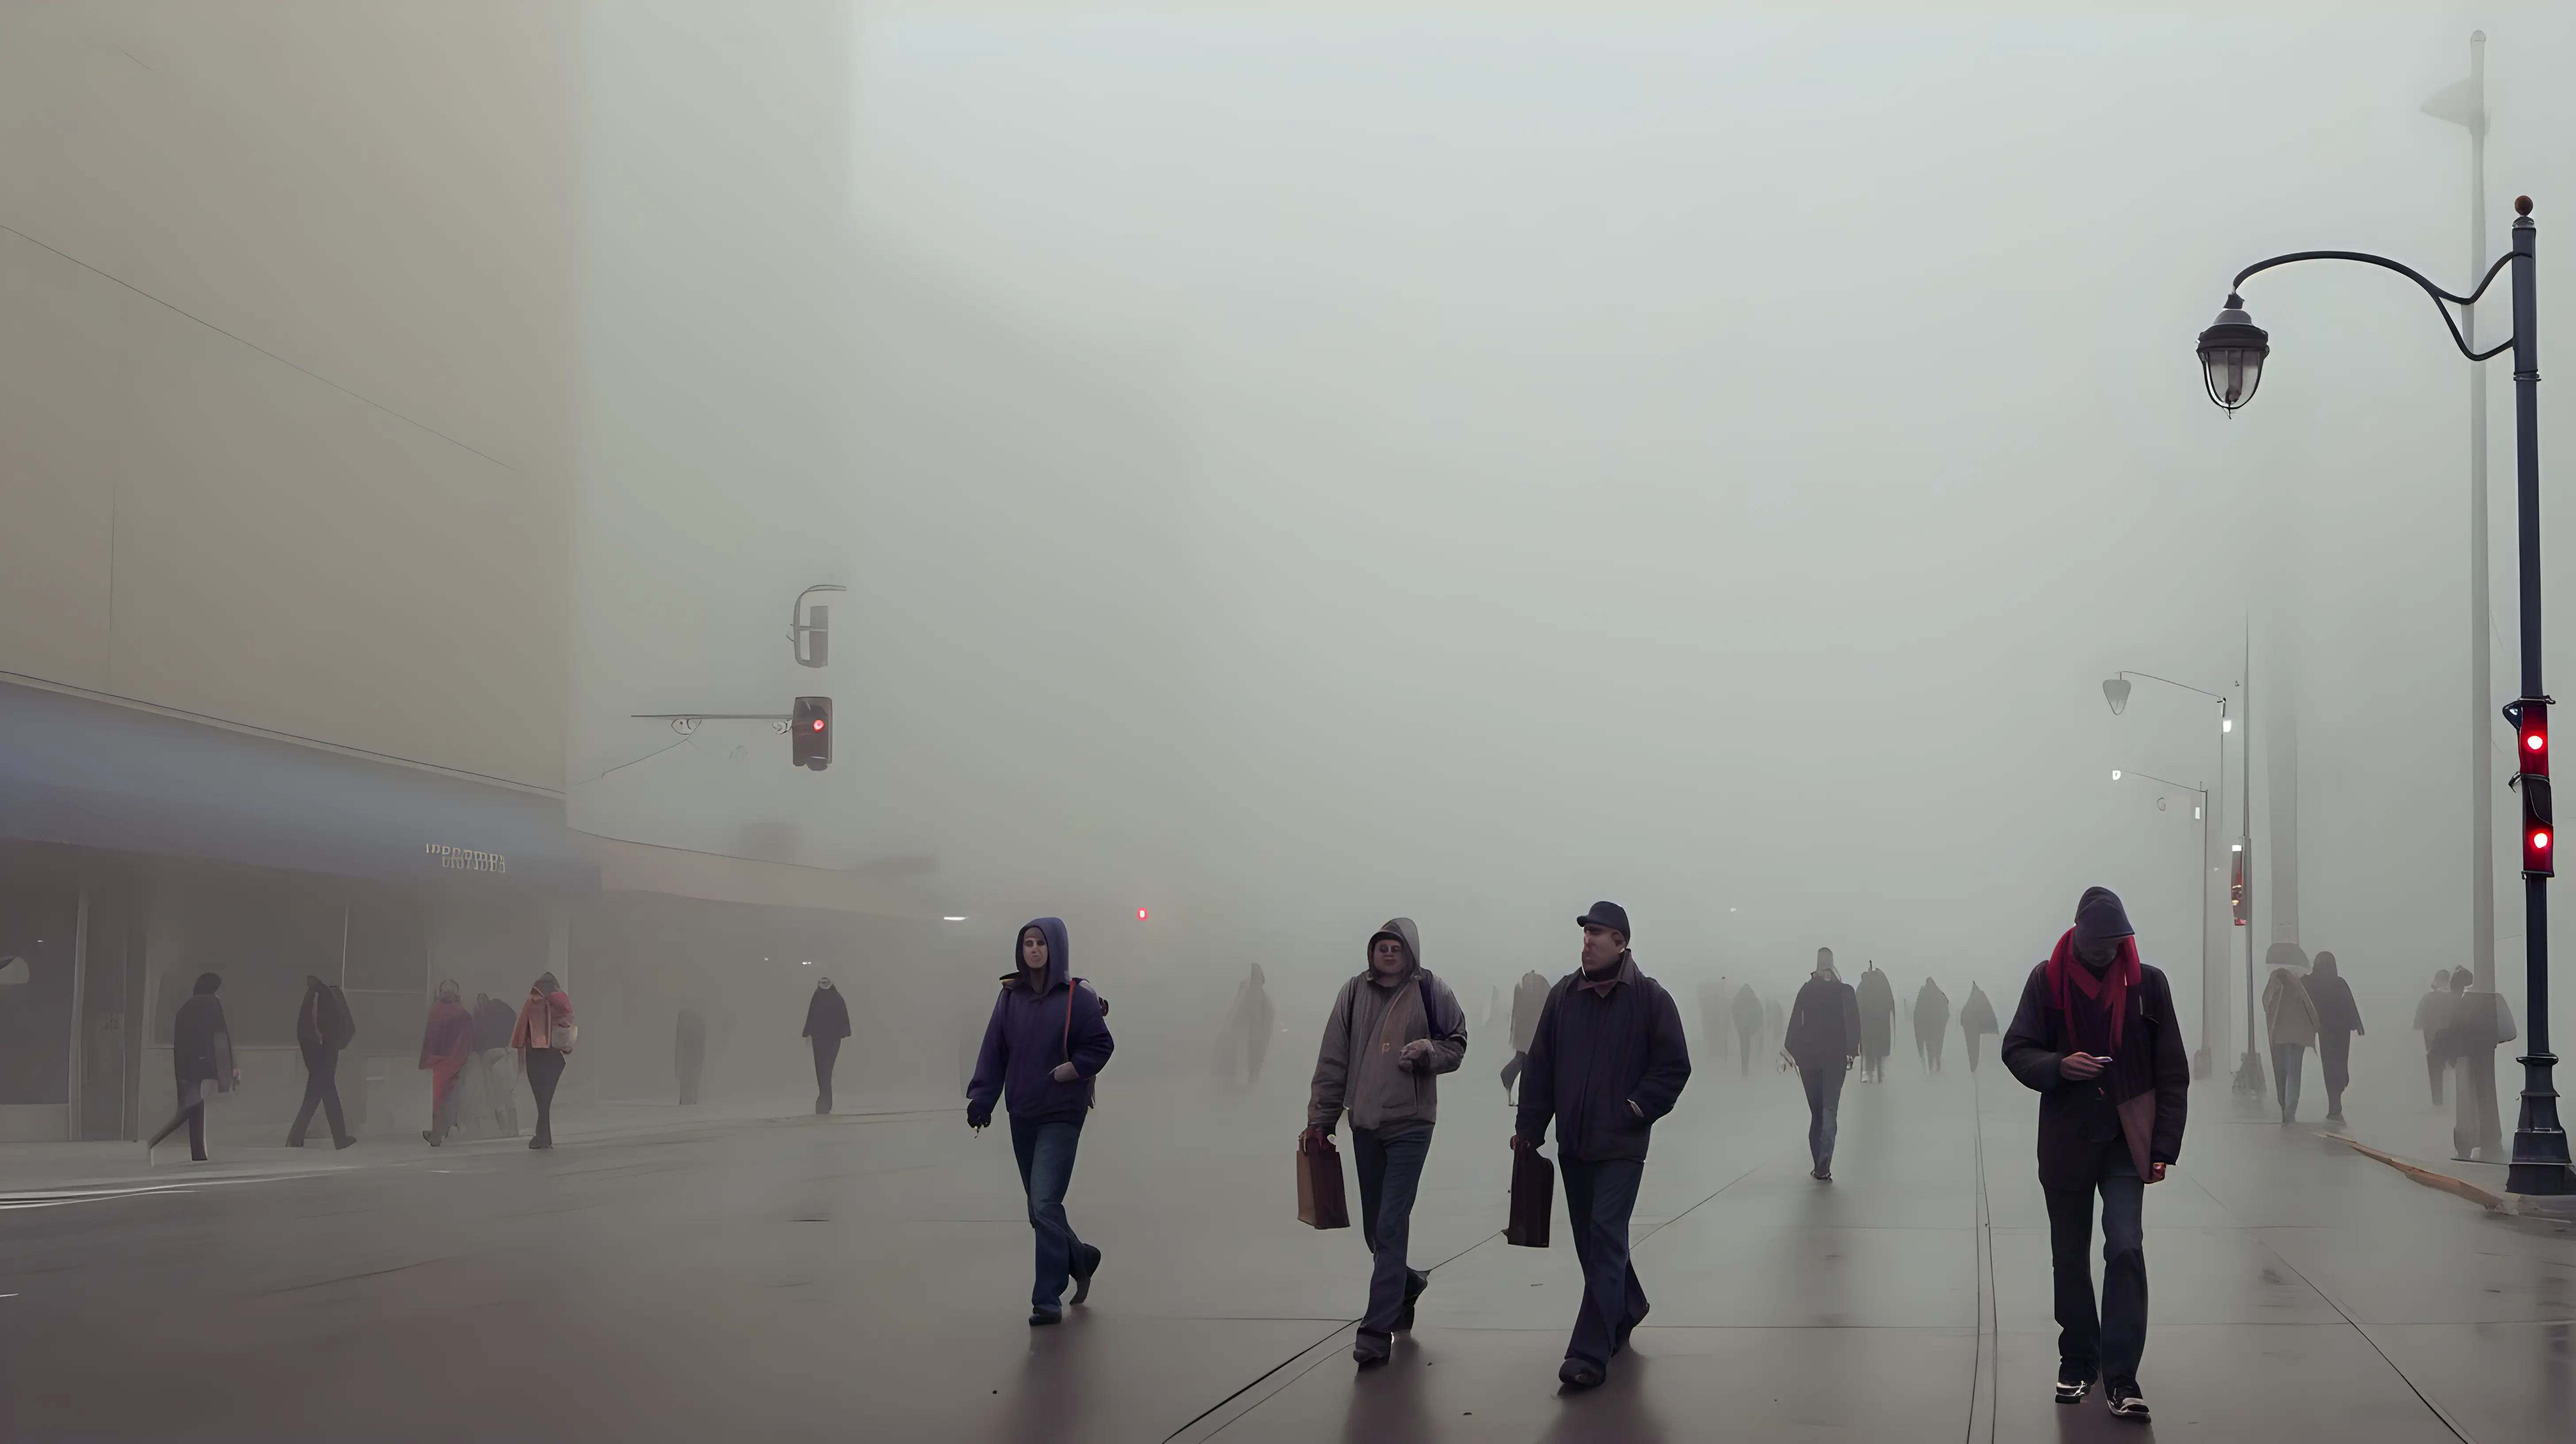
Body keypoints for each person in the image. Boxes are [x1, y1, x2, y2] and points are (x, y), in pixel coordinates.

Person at [2001, 887, 2189, 1424]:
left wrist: (2164, 1146)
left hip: (2126, 1140)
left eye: (2116, 944)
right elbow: (2017, 1048)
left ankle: (2122, 1375)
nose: (2107, 953)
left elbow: (2172, 1072)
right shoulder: (2047, 980)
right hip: (2066, 1139)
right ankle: (2078, 1361)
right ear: (2078, 937)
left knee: (2125, 1246)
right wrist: (2060, 1066)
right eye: (2099, 944)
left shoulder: (2147, 985)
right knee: (2069, 1256)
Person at [1514, 902, 1691, 1391]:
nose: (1587, 941)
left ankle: (1589, 1353)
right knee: (1593, 1245)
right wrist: (1530, 1128)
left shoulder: (1650, 999)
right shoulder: (1564, 996)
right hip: (1574, 1143)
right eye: (1585, 933)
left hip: (1621, 1144)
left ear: (1621, 943)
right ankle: (1628, 1303)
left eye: (1598, 933)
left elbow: (1673, 1066)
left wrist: (1635, 1109)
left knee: (1606, 1234)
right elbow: (1541, 1064)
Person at [1303, 918, 1470, 1367]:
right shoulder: (1353, 994)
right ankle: (1407, 1284)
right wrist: (1321, 1118)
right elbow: (1333, 1059)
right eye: (1382, 946)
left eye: (1396, 946)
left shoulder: (1430, 990)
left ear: (1410, 951)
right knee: (1375, 1232)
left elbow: (1456, 1042)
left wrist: (1428, 1053)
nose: (1389, 953)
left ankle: (1375, 1332)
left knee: (1392, 1223)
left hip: (1411, 1126)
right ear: (1372, 953)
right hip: (1366, 1125)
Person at [967, 918, 1114, 1326]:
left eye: (1041, 944)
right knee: (1038, 1208)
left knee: (1045, 1202)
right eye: (1028, 943)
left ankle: (1047, 1299)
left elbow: (1102, 1044)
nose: (1034, 950)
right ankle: (1081, 1257)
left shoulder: (1077, 997)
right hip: (1023, 1112)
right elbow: (993, 1050)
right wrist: (982, 1097)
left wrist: (1074, 1070)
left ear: (1056, 949)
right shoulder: (1010, 998)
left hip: (1062, 1114)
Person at [1782, 948, 1861, 1180]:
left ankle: (1819, 1162)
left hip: (1809, 1060)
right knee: (1829, 1110)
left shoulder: (1806, 991)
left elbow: (1795, 1023)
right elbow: (1854, 1023)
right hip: (1835, 1059)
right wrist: (1851, 1052)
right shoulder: (1845, 991)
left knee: (1816, 1113)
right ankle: (1824, 1163)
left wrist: (1793, 1052)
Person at [148, 973, 236, 1162]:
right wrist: (229, 1068)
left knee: (195, 1108)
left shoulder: (185, 1008)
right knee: (191, 1108)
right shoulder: (213, 1003)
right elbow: (220, 1036)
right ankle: (155, 1142)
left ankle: (199, 1154)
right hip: (204, 1064)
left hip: (186, 1066)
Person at [2444, 970, 2517, 1162]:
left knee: (2466, 1101)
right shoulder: (2495, 999)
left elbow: (2453, 1030)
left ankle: (2466, 1143)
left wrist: (2452, 1054)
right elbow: (2510, 1030)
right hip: (2487, 1056)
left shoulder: (2464, 1002)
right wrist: (2491, 1041)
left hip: (2465, 1056)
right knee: (2487, 1097)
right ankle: (2492, 1140)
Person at [286, 974, 356, 1150]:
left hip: (313, 1052)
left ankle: (295, 1138)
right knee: (329, 1095)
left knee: (313, 1095)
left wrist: (309, 1051)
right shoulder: (331, 994)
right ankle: (340, 1139)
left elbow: (302, 1029)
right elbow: (348, 1026)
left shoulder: (311, 994)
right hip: (326, 1052)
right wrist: (337, 1045)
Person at [510, 972, 575, 1150]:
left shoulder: (533, 1002)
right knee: (546, 1099)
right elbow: (569, 1021)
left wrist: (518, 1045)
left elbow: (522, 1025)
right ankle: (544, 1137)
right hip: (555, 1056)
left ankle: (542, 1137)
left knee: (541, 1099)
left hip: (535, 1054)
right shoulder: (560, 1001)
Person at [2305, 952, 2364, 1125]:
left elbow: (2349, 1005)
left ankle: (2336, 1098)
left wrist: (2358, 1025)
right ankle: (2335, 1106)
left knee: (2333, 1066)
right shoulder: (2328, 983)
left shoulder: (2322, 984)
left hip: (2334, 1031)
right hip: (2333, 1031)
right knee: (2335, 1066)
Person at [418, 980, 474, 1146]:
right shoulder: (462, 1014)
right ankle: (440, 1131)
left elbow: (429, 1037)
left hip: (444, 1061)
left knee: (441, 1099)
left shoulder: (439, 1011)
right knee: (445, 1098)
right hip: (449, 1061)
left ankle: (438, 1133)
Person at [2262, 963, 2318, 1126]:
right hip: (2294, 1040)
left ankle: (2287, 1111)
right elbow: (2311, 1011)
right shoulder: (2298, 990)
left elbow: (2266, 1005)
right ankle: (2289, 1112)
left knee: (2284, 1075)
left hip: (2281, 1040)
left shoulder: (2278, 990)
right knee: (2293, 1075)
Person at [1215, 963, 1276, 1090]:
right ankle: (1243, 1080)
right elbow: (1238, 1013)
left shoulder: (1262, 999)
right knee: (1247, 1053)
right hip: (1250, 1030)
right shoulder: (1247, 992)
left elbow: (1263, 1018)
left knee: (1255, 1054)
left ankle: (1251, 1081)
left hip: (1257, 1031)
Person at [804, 977, 851, 1114]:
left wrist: (808, 1032)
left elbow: (811, 1016)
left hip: (822, 1040)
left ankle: (824, 1101)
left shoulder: (819, 998)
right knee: (826, 1070)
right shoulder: (837, 998)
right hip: (831, 1040)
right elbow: (843, 1017)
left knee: (823, 1070)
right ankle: (825, 1101)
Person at [1501, 968, 1549, 1102]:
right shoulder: (1538, 987)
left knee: (1524, 1060)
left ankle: (1519, 1090)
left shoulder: (1525, 987)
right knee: (1525, 1061)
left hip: (1527, 1033)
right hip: (1531, 1033)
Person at [2413, 969, 2457, 1106]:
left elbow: (2418, 1023)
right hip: (2451, 1039)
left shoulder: (2428, 998)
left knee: (2436, 1073)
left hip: (2433, 1041)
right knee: (2453, 1070)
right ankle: (2454, 1103)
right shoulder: (2455, 999)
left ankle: (2438, 1102)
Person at [1856, 963, 1896, 1084]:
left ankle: (1867, 1073)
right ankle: (1879, 1073)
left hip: (1866, 1026)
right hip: (1881, 1026)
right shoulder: (1883, 986)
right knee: (1879, 1051)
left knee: (1868, 1051)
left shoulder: (1863, 986)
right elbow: (1890, 1005)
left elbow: (1856, 1005)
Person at [1959, 982, 2000, 1074]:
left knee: (1972, 1047)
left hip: (1970, 1027)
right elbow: (1989, 1012)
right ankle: (1974, 1065)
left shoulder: (1970, 998)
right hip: (1977, 1026)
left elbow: (1964, 1013)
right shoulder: (1982, 996)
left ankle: (1973, 1066)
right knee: (1975, 1047)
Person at [1915, 977, 1950, 1072]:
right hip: (1939, 1025)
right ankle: (1938, 1063)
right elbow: (1946, 1009)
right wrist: (1944, 1023)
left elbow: (1917, 1012)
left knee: (1930, 1046)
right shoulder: (1940, 994)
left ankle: (1931, 1066)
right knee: (1939, 1044)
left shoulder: (1923, 994)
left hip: (1927, 1026)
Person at [675, 1006, 707, 1106]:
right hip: (691, 1055)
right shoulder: (698, 1024)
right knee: (690, 1077)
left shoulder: (693, 1025)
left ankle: (688, 1101)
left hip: (691, 1056)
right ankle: (689, 1101)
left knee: (689, 1077)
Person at [1731, 982, 1764, 1077]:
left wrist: (1737, 1023)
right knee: (1747, 1048)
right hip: (1748, 1027)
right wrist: (1756, 1026)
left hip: (1743, 1027)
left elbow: (1734, 1010)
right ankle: (1746, 1069)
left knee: (1744, 1049)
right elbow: (1759, 1012)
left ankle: (1745, 1069)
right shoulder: (1753, 998)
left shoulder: (1739, 998)